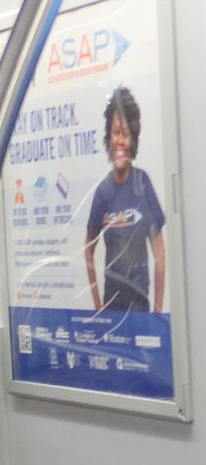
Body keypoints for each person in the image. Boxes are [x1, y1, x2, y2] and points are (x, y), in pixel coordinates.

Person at [84, 85, 167, 313]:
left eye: (126, 133)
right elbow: (88, 249)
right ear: (108, 138)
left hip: (141, 307)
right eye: (115, 132)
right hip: (111, 307)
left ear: (133, 140)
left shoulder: (143, 184)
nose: (120, 140)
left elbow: (159, 252)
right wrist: (97, 306)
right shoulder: (103, 191)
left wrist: (158, 312)